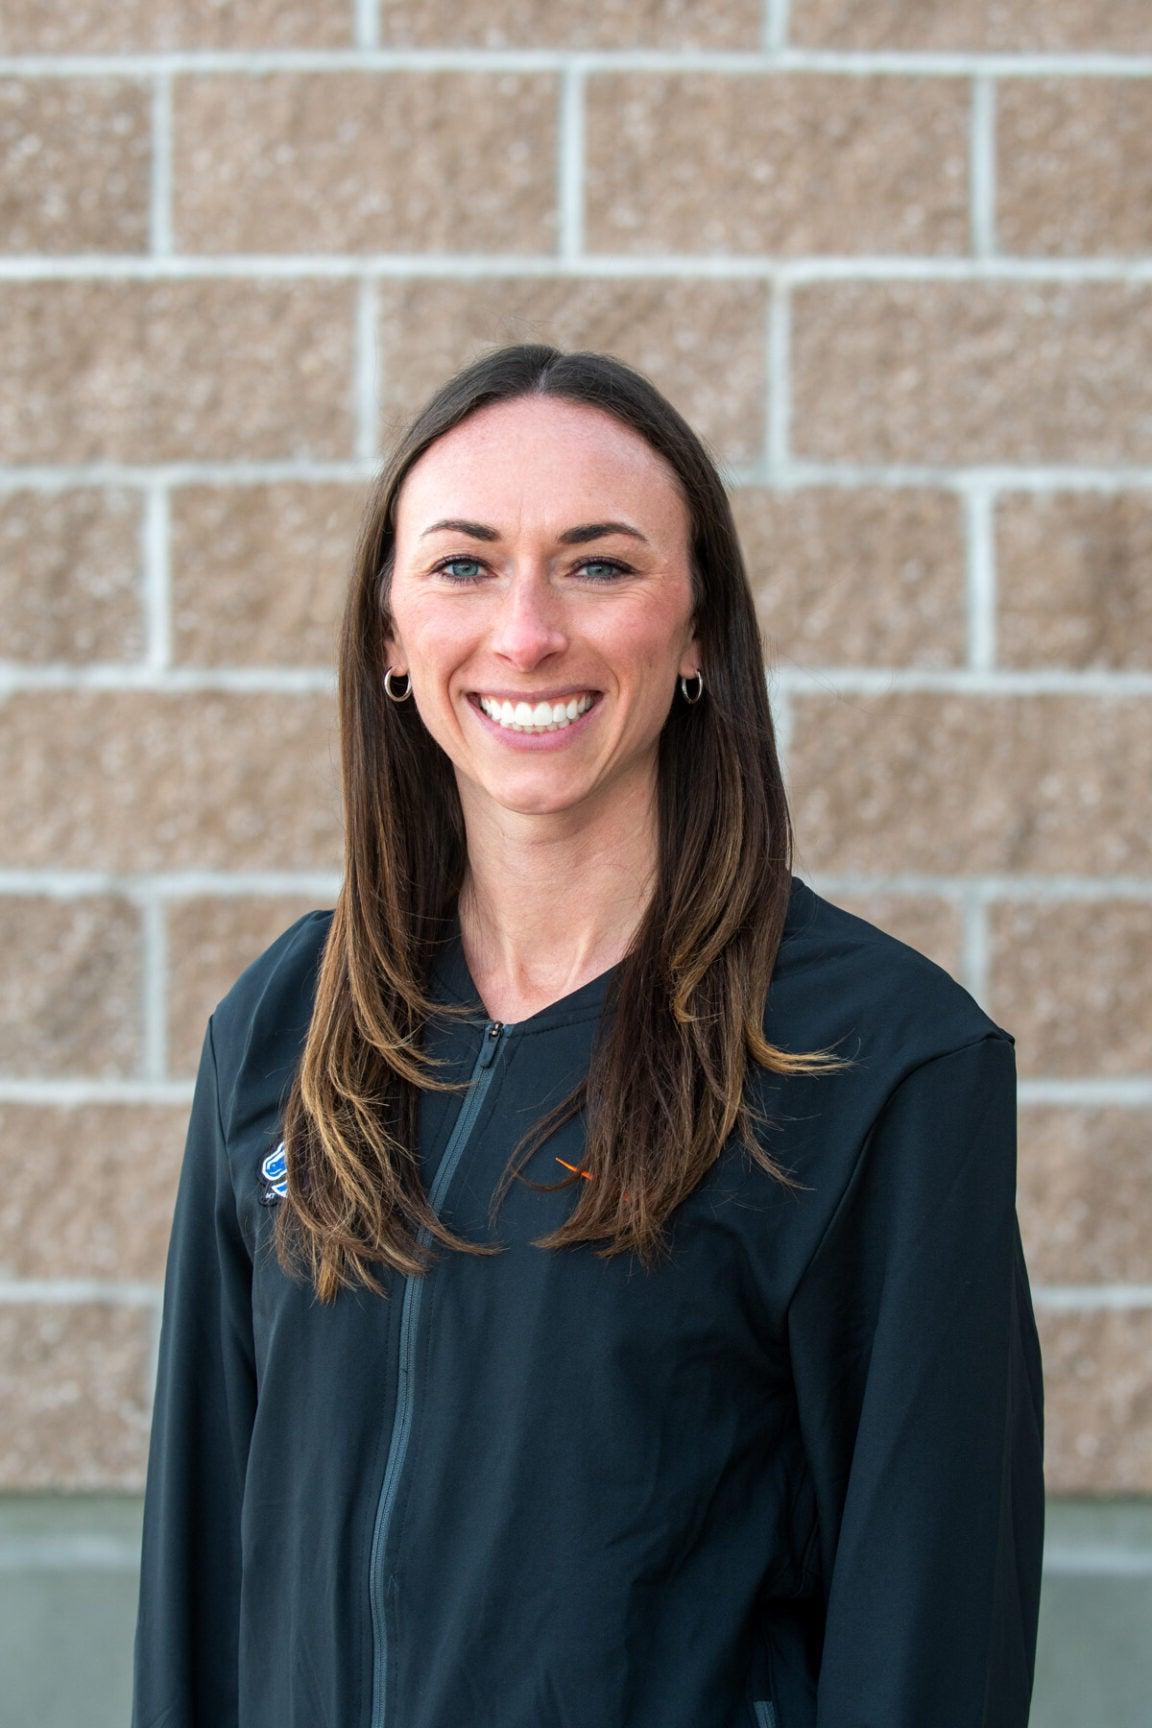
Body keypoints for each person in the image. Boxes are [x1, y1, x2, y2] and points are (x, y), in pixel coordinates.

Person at [131, 344, 1045, 1728]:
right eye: (463, 565)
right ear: (389, 634)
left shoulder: (877, 1060)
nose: (526, 634)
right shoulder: (284, 1030)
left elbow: (933, 1632)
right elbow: (199, 1579)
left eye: (600, 566)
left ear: (696, 634)